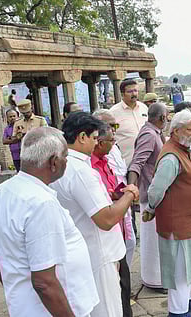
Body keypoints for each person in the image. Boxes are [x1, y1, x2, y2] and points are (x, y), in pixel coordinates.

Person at [0, 127, 99, 316]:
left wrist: (17, 291)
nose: (67, 162)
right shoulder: (41, 203)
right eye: (65, 157)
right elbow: (44, 282)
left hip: (27, 307)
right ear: (54, 163)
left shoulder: (4, 190)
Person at [50, 112, 139, 317]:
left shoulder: (62, 165)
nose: (96, 143)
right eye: (94, 138)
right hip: (99, 253)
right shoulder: (80, 169)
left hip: (83, 249)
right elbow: (106, 219)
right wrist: (129, 194)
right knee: (108, 310)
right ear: (82, 137)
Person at [144, 110, 191, 317]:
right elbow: (156, 190)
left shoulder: (183, 148)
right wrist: (150, 209)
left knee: (189, 266)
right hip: (178, 224)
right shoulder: (171, 157)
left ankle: (188, 301)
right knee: (180, 271)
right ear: (176, 131)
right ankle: (178, 311)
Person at [127, 103, 168, 293]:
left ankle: (159, 277)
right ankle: (154, 280)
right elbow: (137, 163)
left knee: (157, 238)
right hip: (151, 195)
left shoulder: (156, 133)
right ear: (162, 118)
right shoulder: (149, 135)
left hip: (158, 193)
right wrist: (132, 189)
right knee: (153, 239)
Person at [93, 109, 136, 267]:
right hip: (110, 209)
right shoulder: (93, 158)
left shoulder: (113, 147)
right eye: (110, 126)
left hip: (122, 200)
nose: (113, 131)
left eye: (115, 126)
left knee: (130, 242)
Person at [109, 79, 148, 165]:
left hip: (146, 160)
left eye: (135, 90)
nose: (134, 94)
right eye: (130, 91)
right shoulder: (114, 113)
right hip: (127, 161)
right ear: (122, 94)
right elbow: (111, 134)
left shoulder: (144, 108)